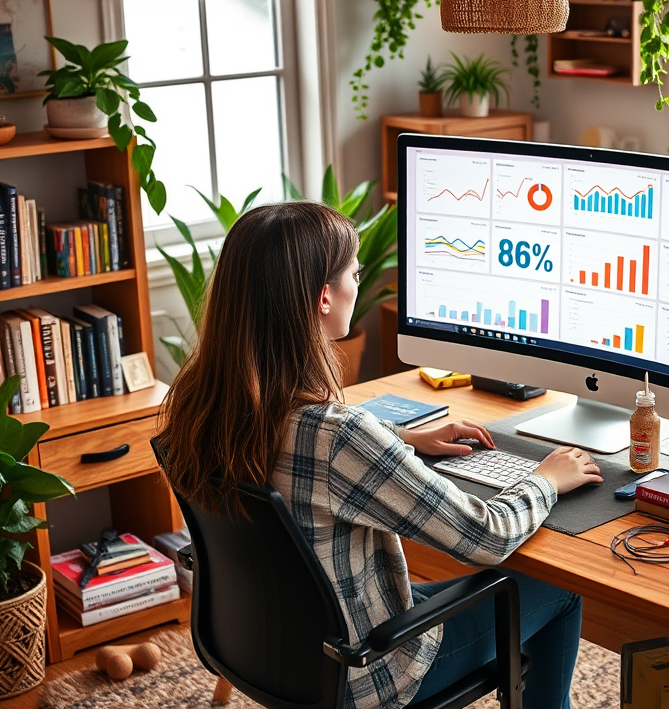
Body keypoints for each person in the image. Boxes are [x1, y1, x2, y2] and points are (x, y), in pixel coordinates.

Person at [158, 202, 603, 709]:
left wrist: (399, 439)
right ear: (324, 297)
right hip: (366, 670)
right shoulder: (338, 435)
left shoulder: (201, 401)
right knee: (554, 588)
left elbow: (295, 449)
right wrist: (546, 478)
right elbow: (484, 536)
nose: (357, 280)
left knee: (451, 590)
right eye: (353, 272)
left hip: (277, 651)